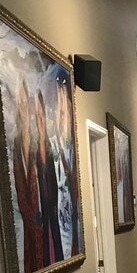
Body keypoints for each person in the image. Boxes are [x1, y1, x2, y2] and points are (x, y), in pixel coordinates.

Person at [12, 78, 42, 273]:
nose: (23, 109)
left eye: (25, 104)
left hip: (40, 232)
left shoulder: (37, 147)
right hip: (25, 234)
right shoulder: (14, 147)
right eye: (20, 104)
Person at [35, 89, 63, 267]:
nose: (40, 121)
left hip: (54, 217)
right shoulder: (34, 153)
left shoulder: (52, 150)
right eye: (36, 116)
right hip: (43, 220)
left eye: (41, 115)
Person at [52, 72, 79, 258]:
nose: (62, 114)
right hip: (60, 228)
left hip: (70, 225)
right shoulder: (54, 146)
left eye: (66, 107)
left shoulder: (70, 149)